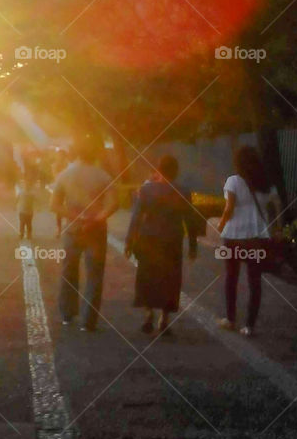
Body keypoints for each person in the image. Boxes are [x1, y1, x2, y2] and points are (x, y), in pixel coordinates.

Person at [124, 155, 198, 336]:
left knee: (147, 275)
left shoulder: (146, 189)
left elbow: (136, 217)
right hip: (172, 241)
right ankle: (163, 320)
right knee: (170, 279)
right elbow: (190, 221)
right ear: (176, 171)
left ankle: (148, 313)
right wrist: (193, 245)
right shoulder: (183, 191)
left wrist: (129, 239)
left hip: (148, 239)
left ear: (158, 170)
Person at [51, 139, 118, 331]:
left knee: (68, 271)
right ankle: (88, 321)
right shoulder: (103, 175)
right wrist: (97, 218)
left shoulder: (64, 175)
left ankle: (67, 314)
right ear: (94, 154)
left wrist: (75, 216)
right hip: (96, 230)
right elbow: (113, 204)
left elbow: (53, 205)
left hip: (73, 229)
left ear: (75, 153)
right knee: (94, 275)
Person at [216, 145, 280, 337]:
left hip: (233, 237)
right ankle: (249, 327)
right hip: (256, 237)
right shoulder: (266, 184)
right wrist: (276, 226)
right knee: (254, 281)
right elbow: (277, 204)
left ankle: (230, 319)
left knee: (231, 278)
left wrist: (219, 226)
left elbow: (229, 209)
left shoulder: (233, 181)